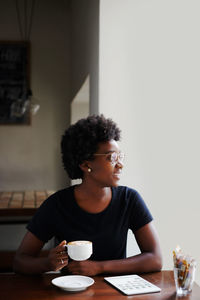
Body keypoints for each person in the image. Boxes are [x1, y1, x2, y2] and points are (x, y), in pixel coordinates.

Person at [13, 114, 162, 275]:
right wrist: (47, 263)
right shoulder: (56, 205)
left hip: (116, 294)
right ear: (85, 164)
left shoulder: (129, 199)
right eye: (112, 157)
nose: (121, 164)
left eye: (120, 156)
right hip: (70, 295)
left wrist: (99, 267)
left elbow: (155, 259)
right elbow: (20, 262)